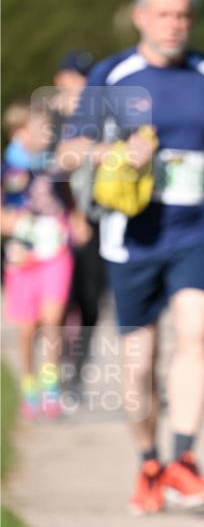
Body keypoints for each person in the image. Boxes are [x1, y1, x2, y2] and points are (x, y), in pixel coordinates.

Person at [57, 0, 204, 515]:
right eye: (164, 14)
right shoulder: (112, 74)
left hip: (197, 228)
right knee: (139, 363)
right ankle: (149, 462)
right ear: (140, 17)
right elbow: (69, 153)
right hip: (132, 235)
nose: (175, 24)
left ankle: (184, 459)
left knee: (195, 335)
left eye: (183, 14)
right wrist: (115, 155)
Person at [1, 100, 75, 418]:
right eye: (38, 130)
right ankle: (29, 385)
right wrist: (15, 224)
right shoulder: (8, 167)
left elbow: (68, 195)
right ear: (21, 133)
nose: (45, 135)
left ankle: (51, 388)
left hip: (56, 252)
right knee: (28, 329)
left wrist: (76, 219)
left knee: (52, 322)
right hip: (21, 257)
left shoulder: (54, 164)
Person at [51, 51, 107, 390]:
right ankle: (51, 376)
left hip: (96, 217)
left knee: (89, 303)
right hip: (60, 223)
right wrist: (73, 215)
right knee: (56, 308)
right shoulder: (49, 119)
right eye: (75, 77)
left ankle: (76, 373)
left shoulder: (99, 118)